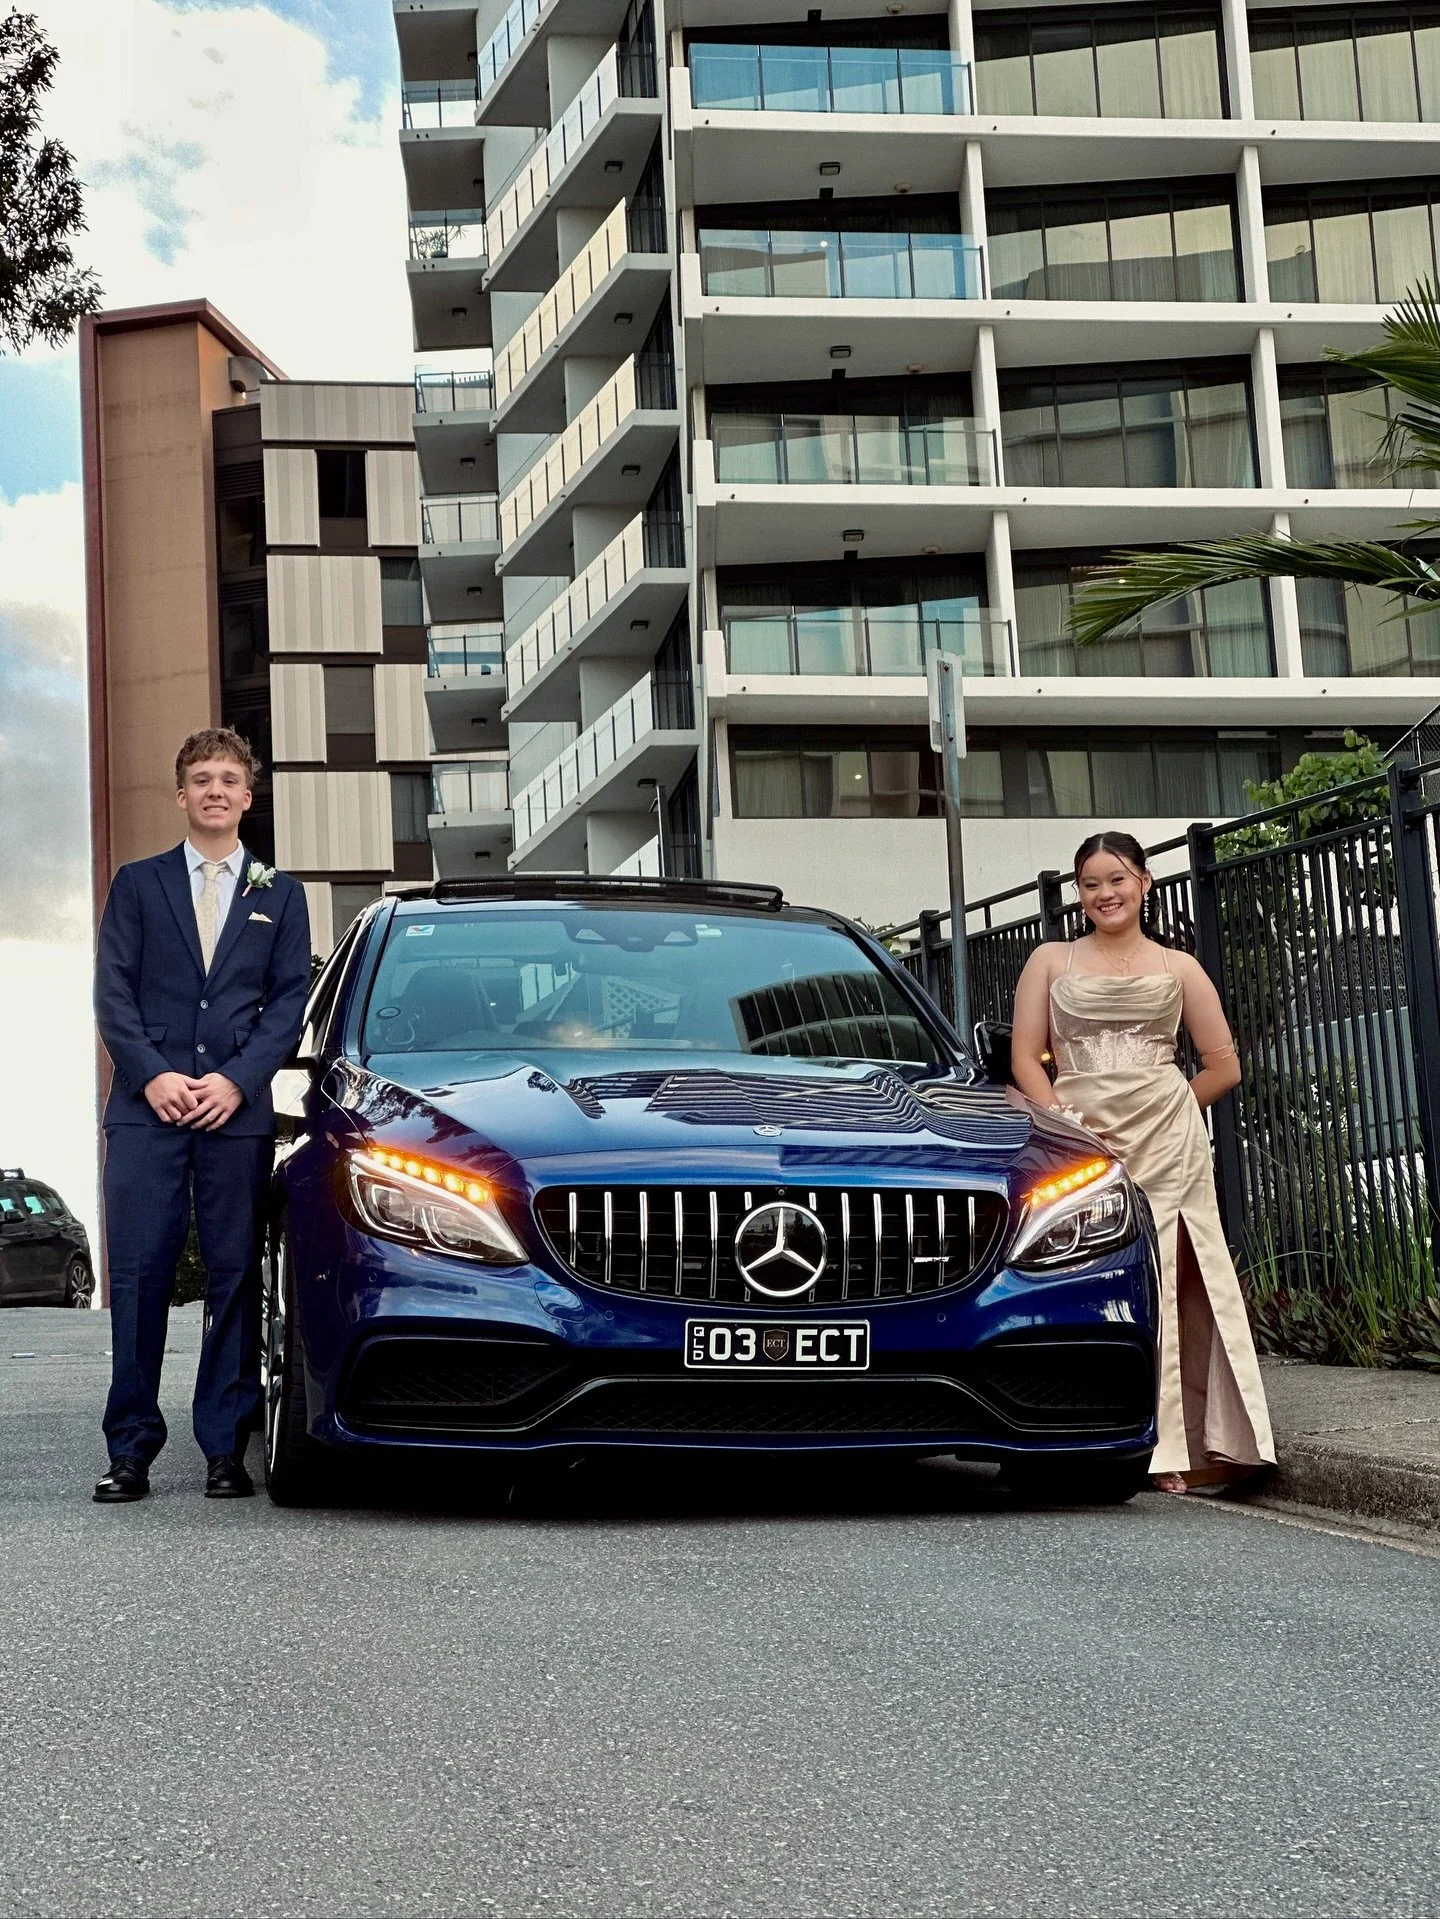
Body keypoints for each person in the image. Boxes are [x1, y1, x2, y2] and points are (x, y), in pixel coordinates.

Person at [1011, 831, 1274, 1495]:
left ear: (1145, 883)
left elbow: (1224, 1066)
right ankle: (1112, 1434)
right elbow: (1024, 1060)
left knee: (1182, 1281)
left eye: (1117, 879)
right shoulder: (1049, 959)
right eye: (1092, 883)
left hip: (1170, 1136)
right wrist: (1062, 1122)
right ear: (1079, 893)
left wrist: (1175, 1106)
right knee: (1091, 1274)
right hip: (1080, 1135)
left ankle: (1193, 1445)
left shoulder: (1180, 967)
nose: (1105, 893)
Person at [92, 729, 311, 1503]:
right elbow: (112, 994)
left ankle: (226, 1446)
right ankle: (130, 1450)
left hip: (234, 1115)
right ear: (181, 795)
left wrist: (237, 1081)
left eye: (229, 779)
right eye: (201, 779)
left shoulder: (280, 894)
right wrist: (151, 1077)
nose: (215, 789)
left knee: (234, 1273)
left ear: (248, 797)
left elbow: (288, 1003)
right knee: (142, 1274)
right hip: (145, 1114)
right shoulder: (138, 884)